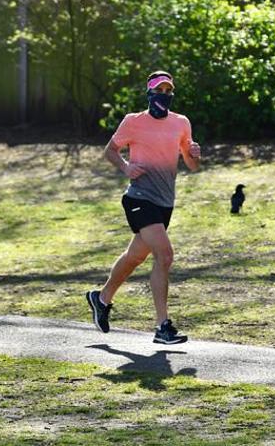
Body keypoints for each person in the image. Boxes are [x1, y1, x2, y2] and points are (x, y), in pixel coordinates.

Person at [86, 70, 201, 344]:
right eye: (158, 91)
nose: (163, 95)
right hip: (139, 197)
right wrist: (126, 167)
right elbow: (109, 150)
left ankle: (101, 299)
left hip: (164, 201)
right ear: (149, 93)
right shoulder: (133, 122)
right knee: (165, 255)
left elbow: (192, 163)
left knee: (135, 257)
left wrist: (194, 155)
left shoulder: (181, 123)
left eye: (167, 91)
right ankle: (163, 327)